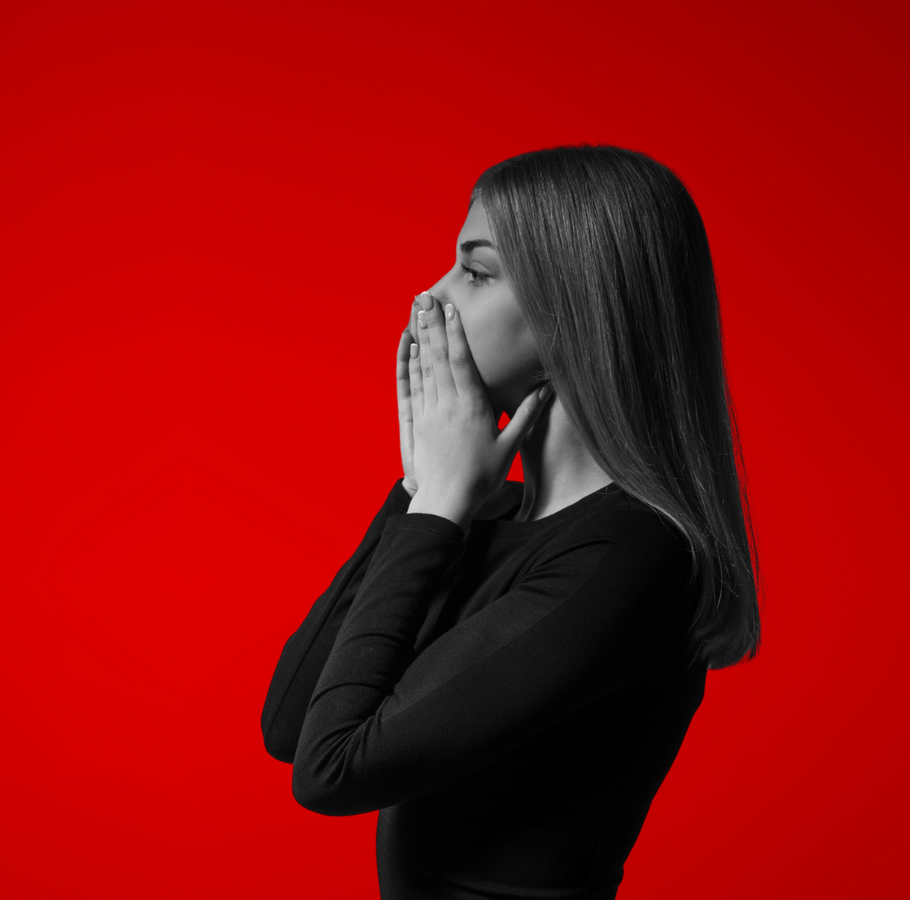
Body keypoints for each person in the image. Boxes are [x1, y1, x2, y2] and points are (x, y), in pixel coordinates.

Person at [259, 145, 761, 900]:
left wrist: (435, 508)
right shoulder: (479, 515)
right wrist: (420, 492)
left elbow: (333, 769)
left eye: (477, 272)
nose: (431, 296)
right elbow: (291, 726)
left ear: (579, 318)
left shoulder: (632, 554)